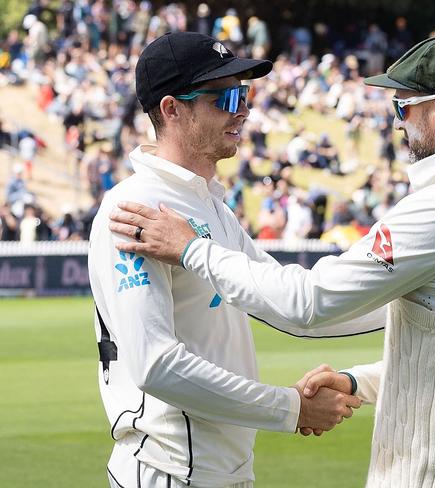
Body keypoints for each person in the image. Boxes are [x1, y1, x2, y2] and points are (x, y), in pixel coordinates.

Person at [110, 33, 435, 487]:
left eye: (402, 107)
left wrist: (190, 249)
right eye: (228, 96)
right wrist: (356, 383)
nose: (398, 125)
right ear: (170, 109)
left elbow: (309, 303)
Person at [89, 32, 366, 488]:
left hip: (227, 471)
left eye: (246, 94)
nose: (243, 109)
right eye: (226, 97)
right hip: (169, 471)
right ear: (172, 109)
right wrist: (289, 407)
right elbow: (155, 365)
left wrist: (405, 302)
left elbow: (287, 298)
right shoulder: (132, 209)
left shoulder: (210, 204)